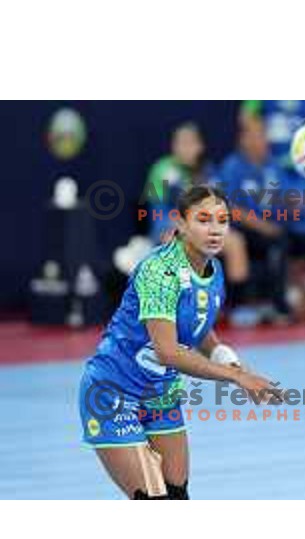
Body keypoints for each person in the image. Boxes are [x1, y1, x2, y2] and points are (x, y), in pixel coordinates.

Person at [78, 185, 280, 499]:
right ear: (181, 224)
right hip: (113, 393)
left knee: (177, 496)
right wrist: (238, 378)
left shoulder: (213, 270)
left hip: (160, 396)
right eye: (203, 220)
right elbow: (168, 351)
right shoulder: (160, 272)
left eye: (222, 220)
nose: (215, 230)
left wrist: (223, 354)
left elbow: (197, 328)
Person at [218, 119, 290, 324]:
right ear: (244, 140)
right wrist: (264, 227)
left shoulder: (274, 166)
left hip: (272, 227)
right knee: (273, 243)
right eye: (256, 136)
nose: (262, 141)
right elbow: (229, 207)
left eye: (263, 135)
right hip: (241, 228)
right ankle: (246, 305)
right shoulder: (232, 166)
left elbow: (286, 200)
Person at [142, 123, 214, 243]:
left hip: (203, 226)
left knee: (234, 241)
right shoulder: (161, 170)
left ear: (200, 146)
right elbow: (157, 213)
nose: (185, 148)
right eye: (181, 143)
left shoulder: (209, 172)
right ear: (173, 147)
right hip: (167, 225)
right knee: (179, 239)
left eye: (190, 143)